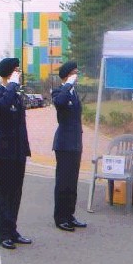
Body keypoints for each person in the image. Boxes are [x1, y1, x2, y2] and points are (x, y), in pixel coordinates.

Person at [0, 57, 32, 250]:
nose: (19, 74)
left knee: (16, 193)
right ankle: (3, 233)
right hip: (3, 152)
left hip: (18, 151)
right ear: (8, 73)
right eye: (16, 71)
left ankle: (12, 229)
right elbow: (2, 109)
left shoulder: (15, 94)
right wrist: (12, 85)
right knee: (4, 194)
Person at [52, 61, 87, 232]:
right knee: (63, 182)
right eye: (74, 73)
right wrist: (67, 85)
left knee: (72, 183)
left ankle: (70, 215)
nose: (76, 76)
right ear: (66, 75)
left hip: (75, 143)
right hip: (64, 143)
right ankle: (60, 217)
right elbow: (59, 103)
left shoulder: (74, 93)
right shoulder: (60, 91)